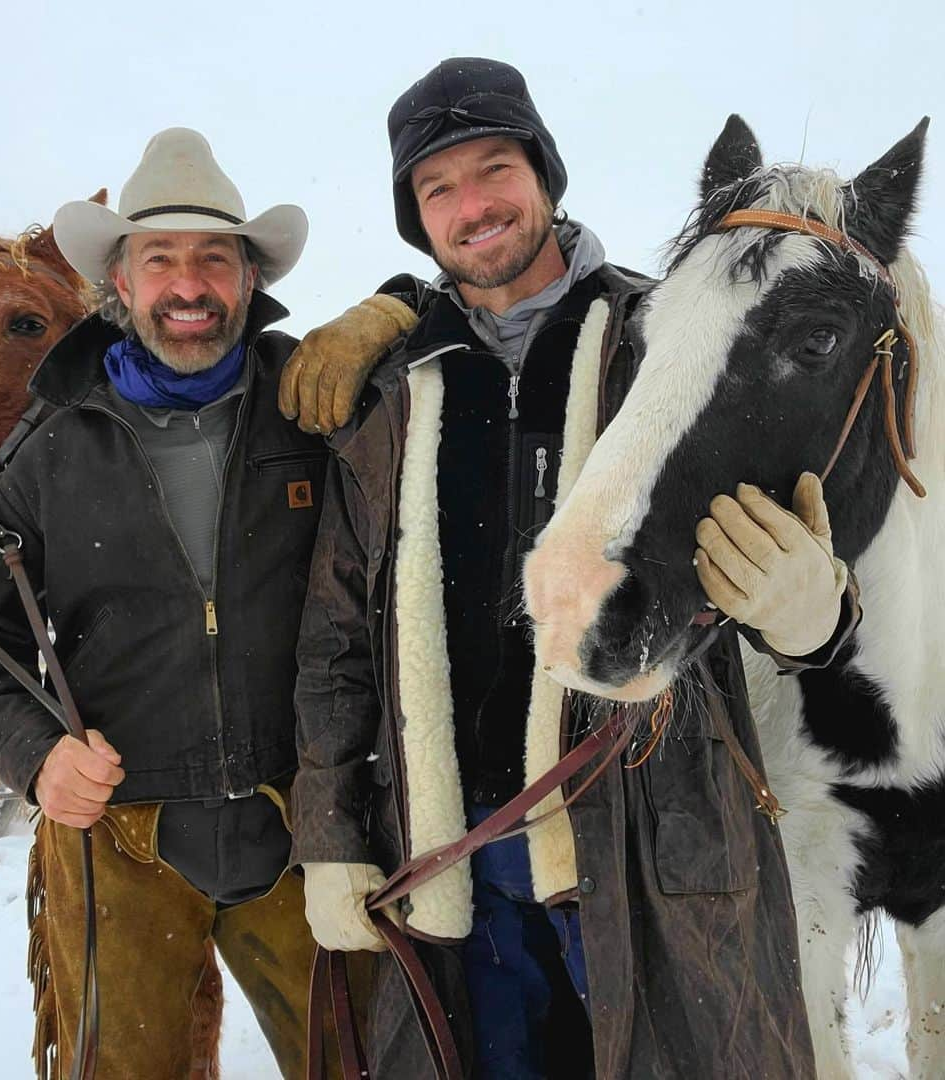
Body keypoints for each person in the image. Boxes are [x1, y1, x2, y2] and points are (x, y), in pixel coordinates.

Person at [288, 59, 860, 1078]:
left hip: (651, 847)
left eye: (494, 167)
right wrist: (331, 836)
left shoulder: (669, 340)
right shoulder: (390, 393)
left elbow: (797, 556)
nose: (473, 206)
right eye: (437, 188)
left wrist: (818, 617)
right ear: (416, 221)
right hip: (453, 849)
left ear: (546, 175)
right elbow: (337, 633)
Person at [0, 127, 415, 1080]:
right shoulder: (45, 442)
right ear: (121, 281)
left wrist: (395, 309)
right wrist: (36, 760)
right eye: (161, 261)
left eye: (213, 260)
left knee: (363, 1065)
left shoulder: (317, 408)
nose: (188, 285)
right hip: (122, 842)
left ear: (246, 278)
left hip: (308, 832)